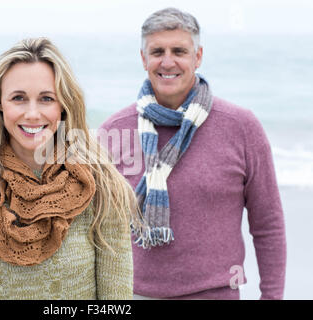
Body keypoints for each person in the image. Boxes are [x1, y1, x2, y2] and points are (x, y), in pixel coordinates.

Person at [99, 8, 286, 300]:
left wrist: (272, 296)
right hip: (132, 295)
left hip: (217, 293)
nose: (168, 61)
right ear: (143, 58)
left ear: (197, 57)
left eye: (179, 51)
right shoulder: (113, 131)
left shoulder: (241, 127)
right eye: (157, 51)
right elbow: (95, 229)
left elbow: (268, 224)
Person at [0, 37, 139, 299]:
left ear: (63, 106)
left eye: (46, 99)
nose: (32, 114)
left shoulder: (102, 188)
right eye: (18, 98)